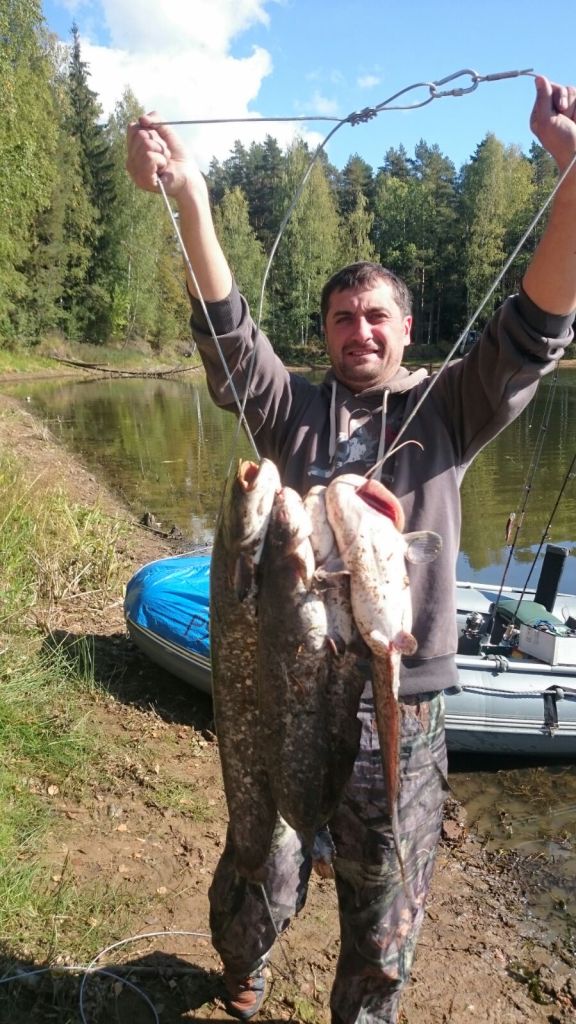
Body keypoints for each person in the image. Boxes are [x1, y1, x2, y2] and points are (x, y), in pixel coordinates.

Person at [126, 76, 576, 1023]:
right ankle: (241, 963)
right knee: (264, 856)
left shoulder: (451, 408)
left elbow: (535, 324)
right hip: (288, 690)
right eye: (342, 317)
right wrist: (190, 196)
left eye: (377, 316)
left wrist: (573, 174)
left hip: (402, 705)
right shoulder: (290, 409)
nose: (360, 330)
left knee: (385, 902)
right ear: (325, 333)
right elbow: (228, 333)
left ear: (406, 329)